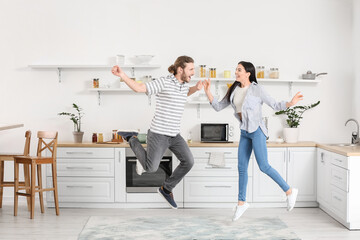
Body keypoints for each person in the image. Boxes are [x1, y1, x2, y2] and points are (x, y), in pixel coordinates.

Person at [202, 61, 303, 221]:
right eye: (236, 69)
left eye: (239, 70)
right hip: (244, 131)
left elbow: (275, 104)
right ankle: (241, 203)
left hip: (257, 131)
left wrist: (290, 103)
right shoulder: (233, 89)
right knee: (242, 167)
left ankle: (289, 191)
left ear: (248, 73)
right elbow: (219, 106)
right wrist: (208, 91)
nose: (236, 72)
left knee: (264, 166)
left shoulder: (257, 89)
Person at [111, 56, 202, 209]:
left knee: (189, 161)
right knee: (150, 168)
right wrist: (122, 75)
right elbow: (139, 88)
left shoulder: (184, 85)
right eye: (191, 69)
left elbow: (183, 94)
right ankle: (131, 138)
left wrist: (196, 89)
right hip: (159, 133)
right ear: (180, 69)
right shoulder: (164, 82)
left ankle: (166, 189)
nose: (193, 73)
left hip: (174, 135)